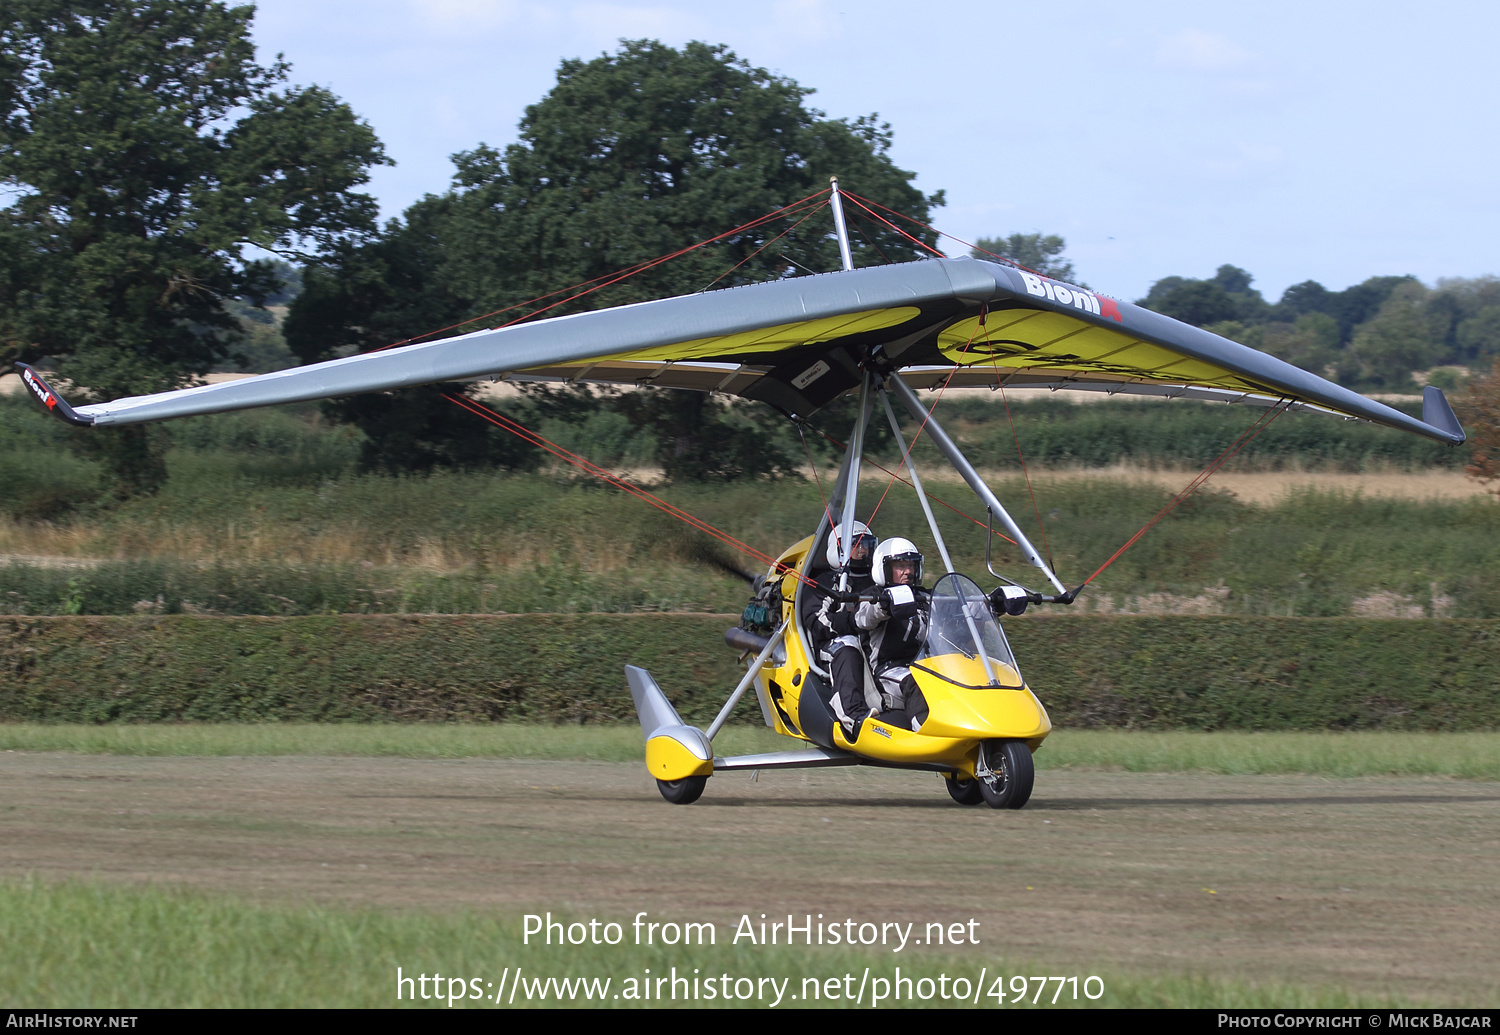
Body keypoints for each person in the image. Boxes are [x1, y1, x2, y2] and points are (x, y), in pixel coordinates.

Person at [798, 521, 881, 739]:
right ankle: (853, 718)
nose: (862, 551)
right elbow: (817, 620)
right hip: (837, 649)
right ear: (838, 550)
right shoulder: (826, 582)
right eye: (856, 546)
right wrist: (852, 622)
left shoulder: (879, 581)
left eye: (867, 545)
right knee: (849, 645)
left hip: (874, 646)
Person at [853, 537, 931, 733]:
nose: (908, 571)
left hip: (926, 666)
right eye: (900, 565)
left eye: (911, 565)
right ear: (884, 568)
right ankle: (925, 732)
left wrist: (989, 606)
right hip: (887, 671)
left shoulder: (924, 597)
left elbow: (955, 609)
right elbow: (863, 618)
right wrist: (884, 606)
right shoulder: (873, 595)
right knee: (915, 681)